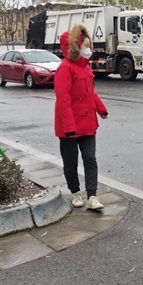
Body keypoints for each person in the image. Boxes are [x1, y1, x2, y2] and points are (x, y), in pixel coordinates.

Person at [55, 24, 108, 210]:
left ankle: (92, 196)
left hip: (87, 124)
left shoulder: (85, 68)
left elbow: (90, 93)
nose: (88, 50)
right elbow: (63, 100)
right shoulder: (65, 69)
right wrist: (69, 127)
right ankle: (76, 193)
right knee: (71, 162)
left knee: (90, 159)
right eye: (84, 46)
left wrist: (101, 109)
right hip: (69, 126)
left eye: (88, 45)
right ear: (75, 48)